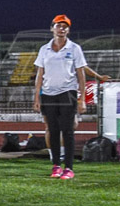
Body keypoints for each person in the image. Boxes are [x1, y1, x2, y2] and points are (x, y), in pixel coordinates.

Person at [33, 14, 88, 180]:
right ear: (52, 28)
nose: (62, 29)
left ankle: (69, 167)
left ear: (68, 30)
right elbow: (39, 73)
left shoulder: (74, 48)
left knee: (68, 130)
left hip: (67, 93)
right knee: (53, 130)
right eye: (59, 25)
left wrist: (82, 98)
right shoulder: (44, 49)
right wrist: (37, 96)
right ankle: (56, 165)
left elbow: (81, 73)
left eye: (65, 26)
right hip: (49, 94)